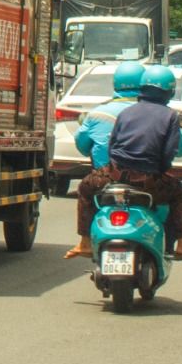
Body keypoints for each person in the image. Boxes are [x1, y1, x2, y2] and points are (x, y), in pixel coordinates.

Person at [68, 64, 182, 263]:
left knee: (85, 187)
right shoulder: (169, 115)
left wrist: (113, 168)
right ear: (169, 92)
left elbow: (113, 145)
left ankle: (84, 242)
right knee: (179, 193)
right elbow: (169, 151)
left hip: (115, 175)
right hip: (149, 179)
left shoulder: (126, 113)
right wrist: (159, 172)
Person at [63, 62, 144, 260]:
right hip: (145, 177)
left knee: (84, 189)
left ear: (116, 84)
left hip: (105, 177)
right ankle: (175, 243)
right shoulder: (153, 113)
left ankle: (84, 242)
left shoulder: (97, 113)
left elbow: (82, 145)